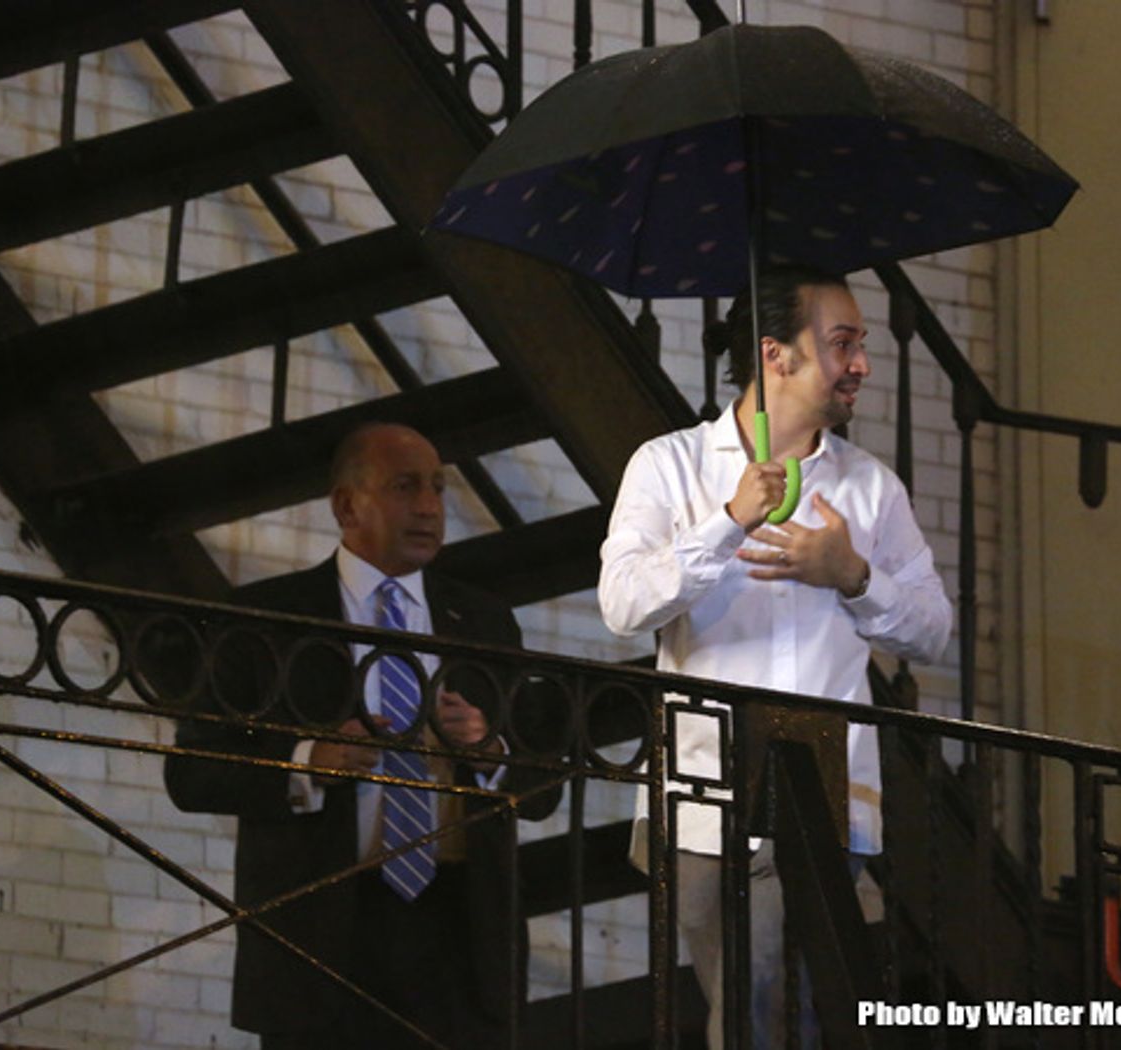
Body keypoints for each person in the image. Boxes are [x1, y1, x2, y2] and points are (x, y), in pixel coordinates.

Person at [598, 265, 952, 1048]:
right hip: (704, 798)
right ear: (775, 353)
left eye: (861, 344)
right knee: (757, 1010)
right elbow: (622, 605)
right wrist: (728, 521)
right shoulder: (671, 465)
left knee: (774, 1008)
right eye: (842, 343)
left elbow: (932, 629)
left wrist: (852, 574)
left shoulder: (871, 489)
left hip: (826, 798)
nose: (862, 363)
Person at [165, 423, 557, 1049]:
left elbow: (545, 784)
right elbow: (193, 772)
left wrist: (489, 751)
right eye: (405, 487)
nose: (429, 507)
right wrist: (308, 762)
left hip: (460, 936)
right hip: (320, 935)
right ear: (347, 506)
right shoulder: (267, 617)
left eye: (437, 488)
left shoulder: (483, 621)